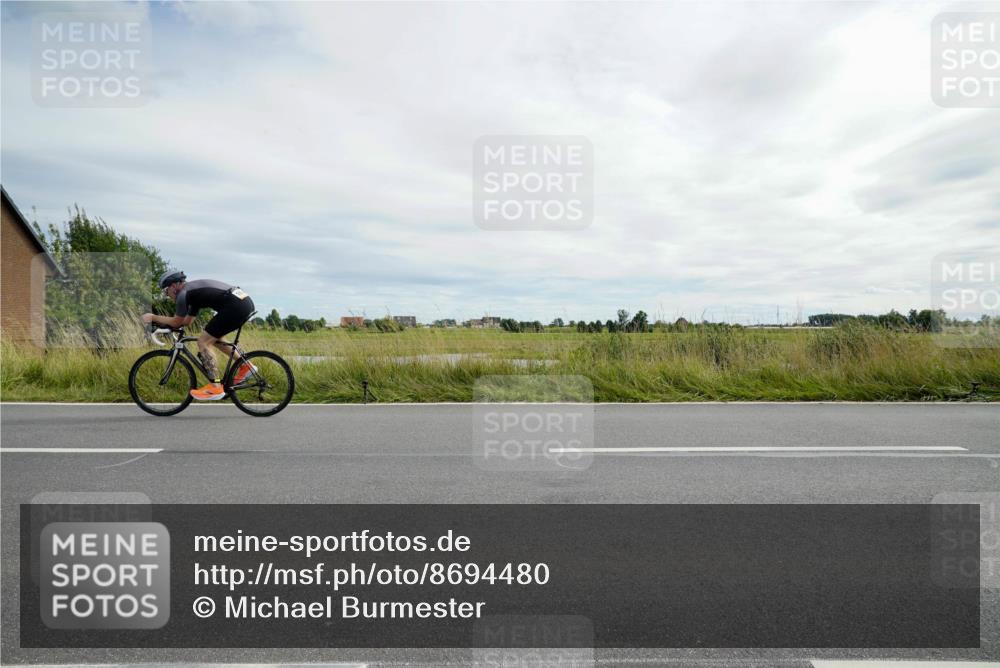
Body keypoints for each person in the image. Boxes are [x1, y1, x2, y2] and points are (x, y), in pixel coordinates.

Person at [142, 269, 256, 401]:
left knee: (203, 342)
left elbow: (177, 321)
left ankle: (216, 386)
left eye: (165, 291)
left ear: (173, 286)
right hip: (242, 302)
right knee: (215, 338)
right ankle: (246, 366)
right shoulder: (192, 293)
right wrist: (164, 325)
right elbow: (186, 322)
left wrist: (153, 317)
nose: (167, 295)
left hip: (235, 305)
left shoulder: (183, 294)